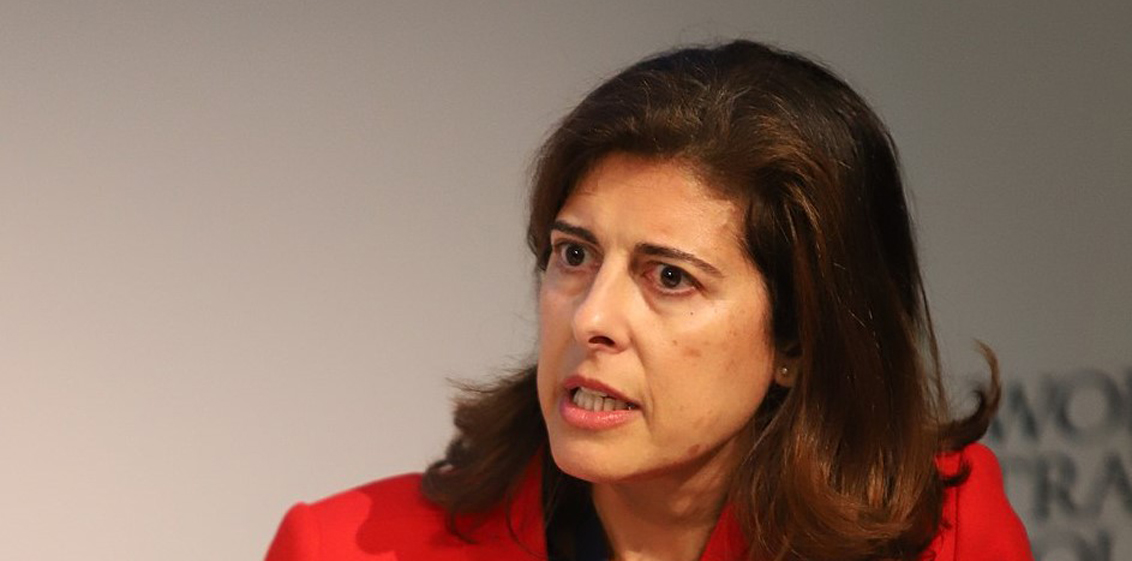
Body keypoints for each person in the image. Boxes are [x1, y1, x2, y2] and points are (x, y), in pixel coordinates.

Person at [265, 40, 1032, 561]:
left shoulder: (943, 532)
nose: (592, 318)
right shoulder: (338, 548)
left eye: (669, 277)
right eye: (574, 255)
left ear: (798, 340)